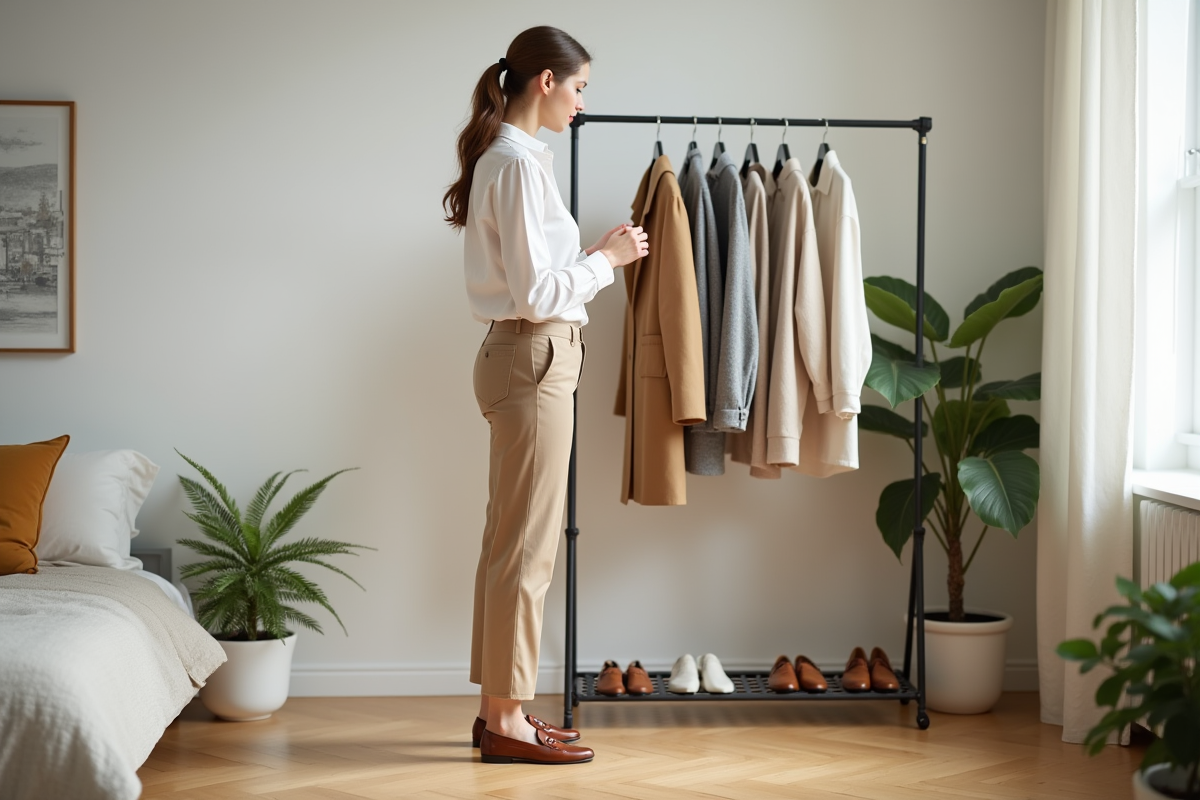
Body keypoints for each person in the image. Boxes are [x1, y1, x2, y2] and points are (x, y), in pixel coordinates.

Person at [442, 26, 648, 766]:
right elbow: (536, 292)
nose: (583, 102)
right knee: (525, 551)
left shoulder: (514, 158)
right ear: (546, 83)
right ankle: (507, 721)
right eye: (581, 87)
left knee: (512, 545)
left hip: (524, 355)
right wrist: (606, 259)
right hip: (533, 354)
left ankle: (504, 710)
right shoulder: (518, 165)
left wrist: (587, 258)